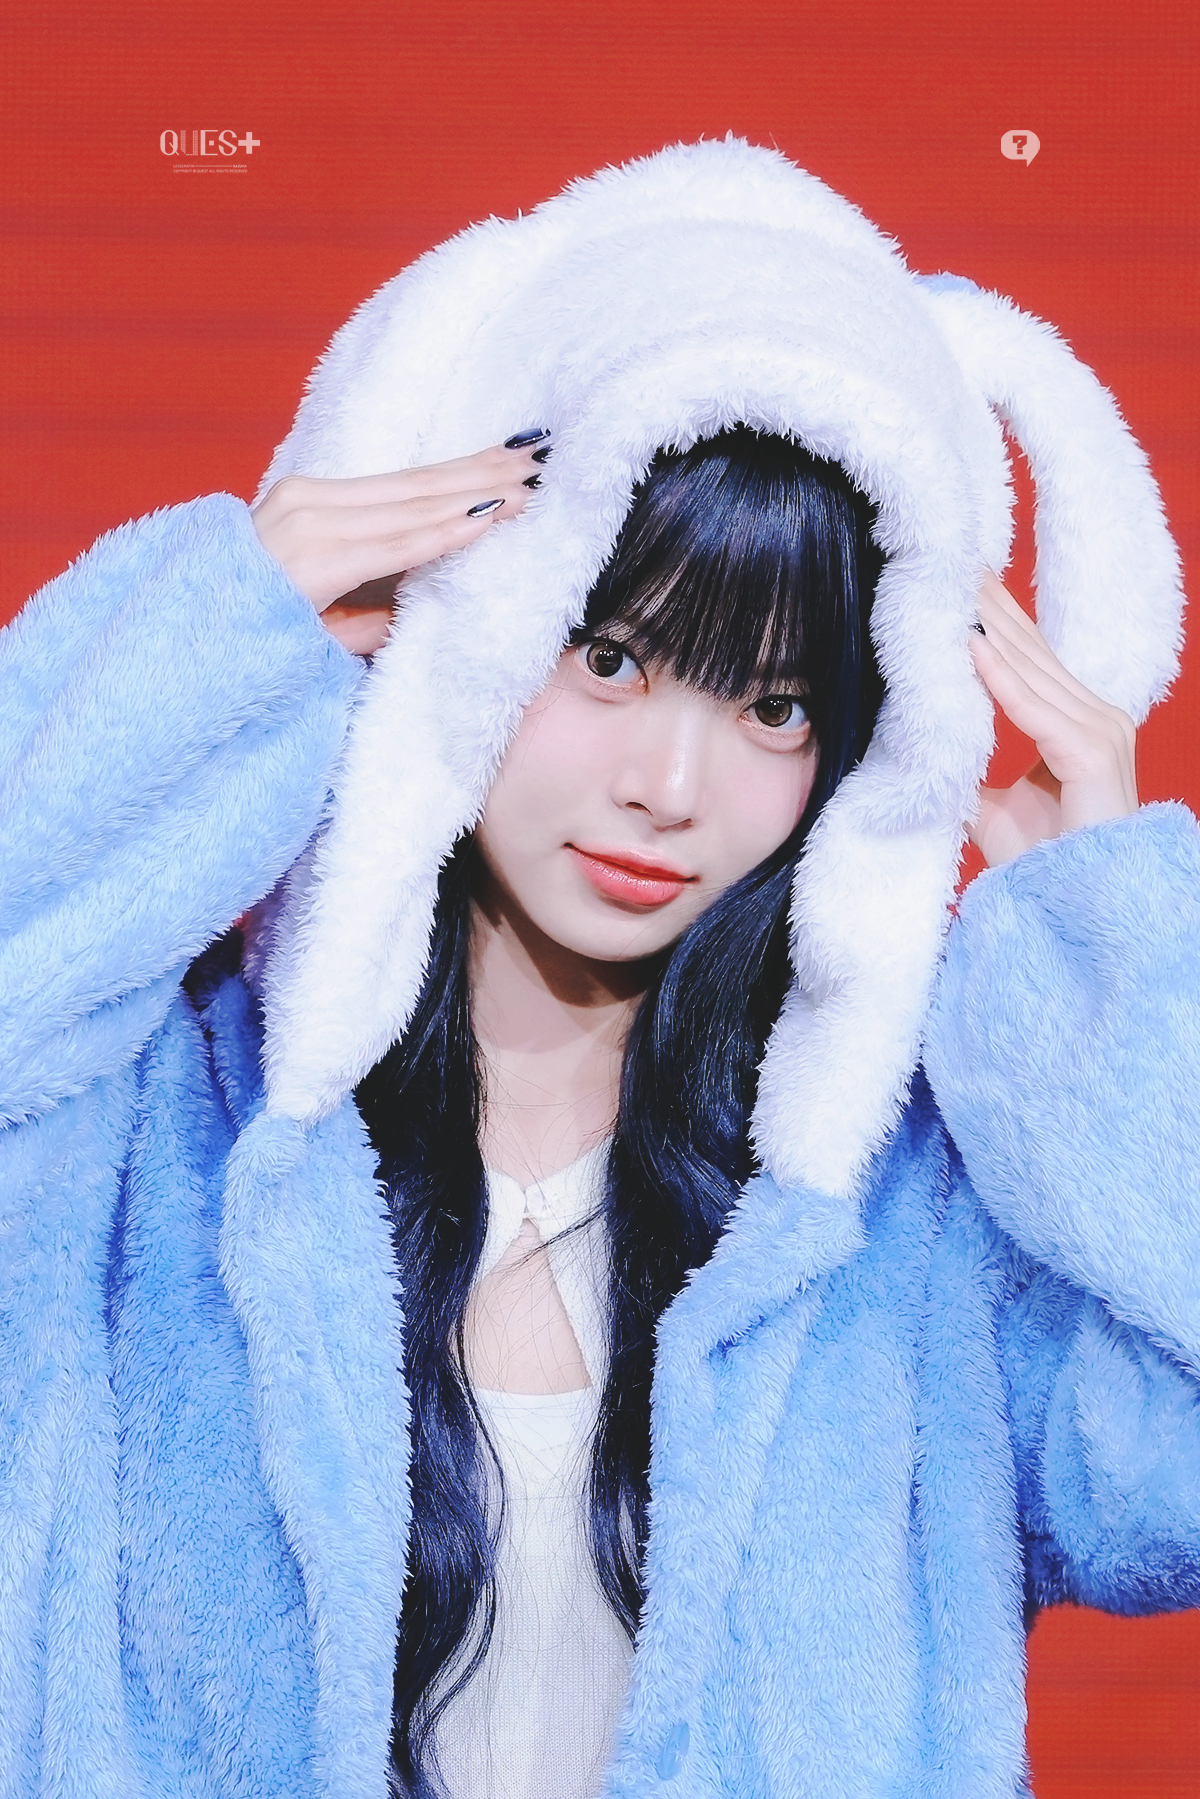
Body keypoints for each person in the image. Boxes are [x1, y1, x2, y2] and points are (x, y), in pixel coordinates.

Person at [2, 137, 1198, 1799]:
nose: (673, 787)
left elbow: (1167, 1487)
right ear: (479, 617)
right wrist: (199, 645)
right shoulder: (153, 1145)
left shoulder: (896, 1219)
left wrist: (1118, 958)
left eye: (774, 705)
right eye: (615, 657)